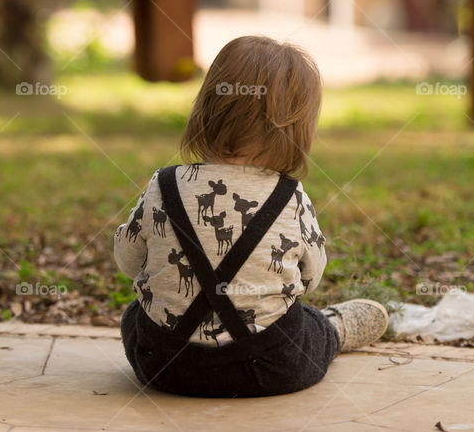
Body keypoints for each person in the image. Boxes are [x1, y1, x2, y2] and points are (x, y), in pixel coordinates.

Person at [115, 36, 389, 398]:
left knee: (135, 314)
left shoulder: (162, 185)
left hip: (163, 366)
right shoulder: (290, 197)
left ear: (205, 109)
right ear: (298, 129)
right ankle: (335, 329)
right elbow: (311, 276)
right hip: (269, 368)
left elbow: (127, 260)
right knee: (307, 326)